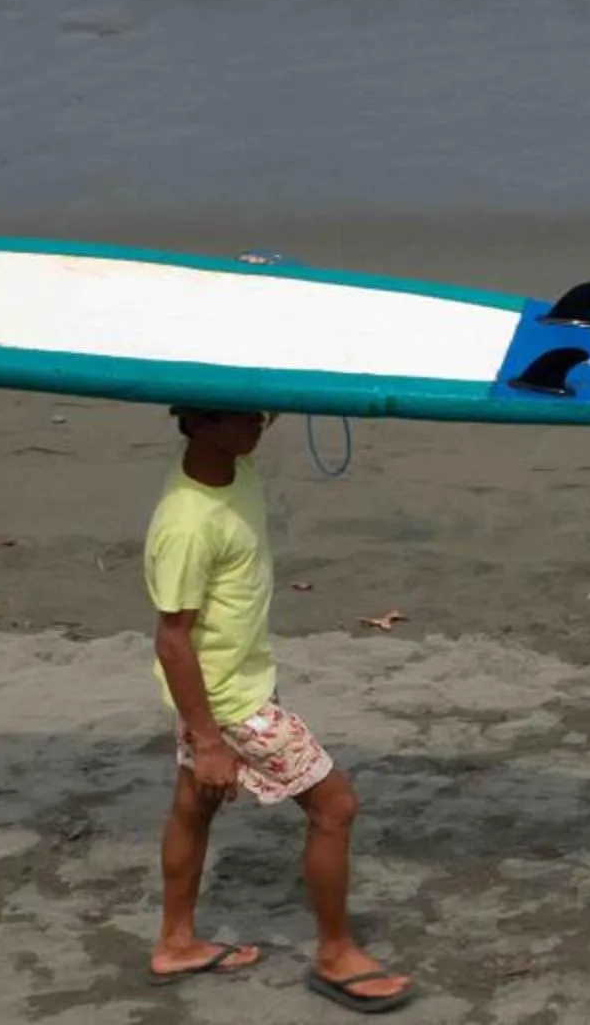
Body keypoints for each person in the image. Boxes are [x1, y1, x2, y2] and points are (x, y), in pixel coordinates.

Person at [143, 405, 416, 1012]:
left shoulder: (229, 469)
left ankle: (176, 942)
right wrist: (211, 739)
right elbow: (171, 639)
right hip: (228, 704)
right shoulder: (187, 524)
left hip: (234, 684)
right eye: (247, 415)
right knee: (335, 806)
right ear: (200, 422)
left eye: (263, 412)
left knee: (194, 807)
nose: (263, 422)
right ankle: (336, 954)